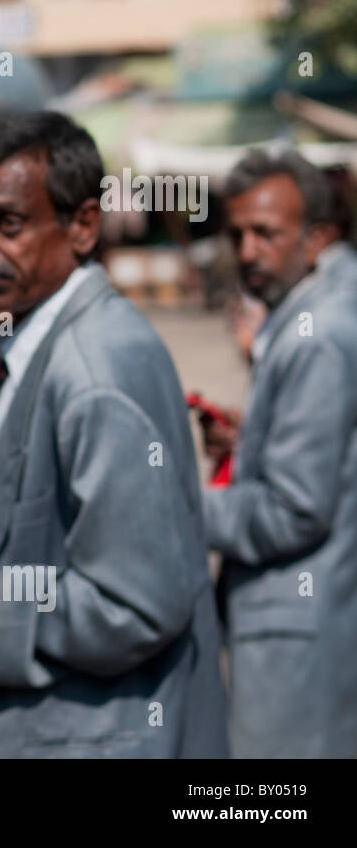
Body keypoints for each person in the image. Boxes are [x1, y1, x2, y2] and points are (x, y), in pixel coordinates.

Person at [0, 112, 227, 757]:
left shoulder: (95, 369)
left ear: (83, 226)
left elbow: (134, 605)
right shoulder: (38, 342)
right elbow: (36, 549)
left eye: (6, 224)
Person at [198, 149, 357, 758]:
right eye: (236, 233)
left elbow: (293, 511)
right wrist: (254, 439)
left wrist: (184, 504)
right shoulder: (308, 315)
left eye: (266, 233)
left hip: (298, 639)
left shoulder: (318, 334)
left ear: (316, 238)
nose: (246, 252)